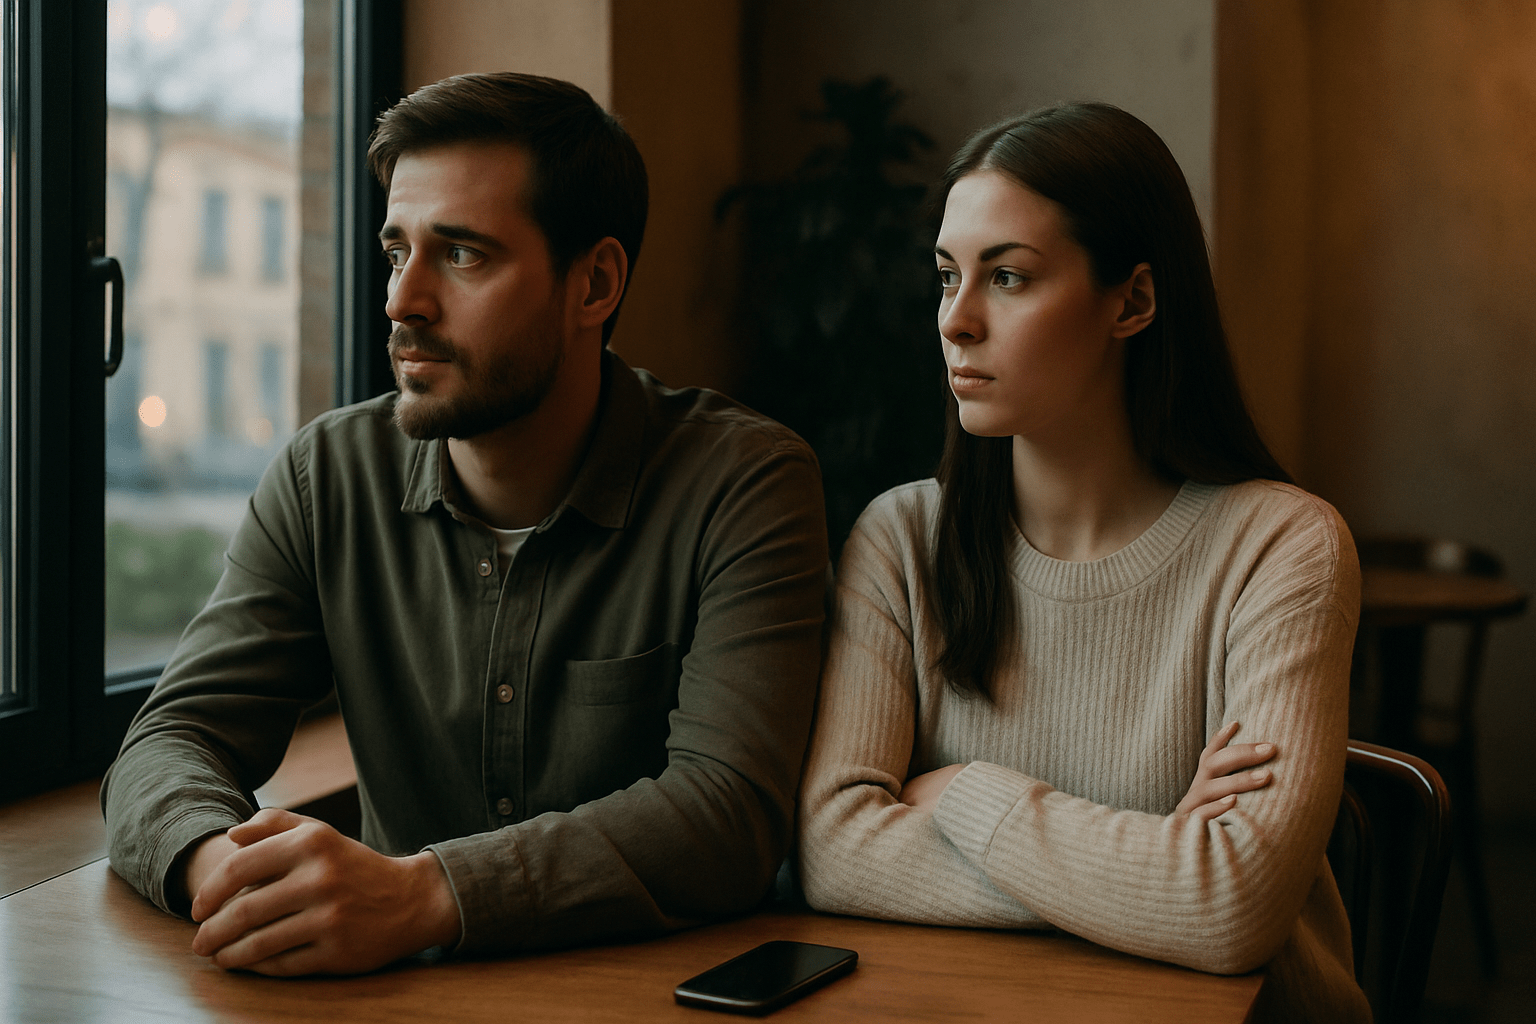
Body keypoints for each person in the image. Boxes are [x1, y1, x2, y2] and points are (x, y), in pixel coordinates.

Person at [101, 73, 829, 976]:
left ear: (593, 283)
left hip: (646, 996)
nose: (404, 300)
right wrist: (223, 869)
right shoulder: (326, 475)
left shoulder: (743, 482)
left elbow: (728, 812)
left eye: (463, 255)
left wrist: (422, 895)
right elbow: (172, 740)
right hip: (395, 999)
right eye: (396, 249)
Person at [796, 103, 1370, 1023]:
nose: (957, 321)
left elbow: (1230, 911)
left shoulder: (1282, 547)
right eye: (946, 278)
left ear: (1133, 301)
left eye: (1009, 278)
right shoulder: (900, 541)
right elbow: (833, 852)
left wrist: (957, 793)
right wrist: (1153, 868)